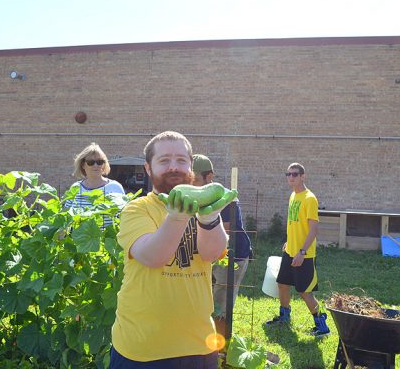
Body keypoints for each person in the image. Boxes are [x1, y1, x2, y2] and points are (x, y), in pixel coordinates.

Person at [110, 131, 236, 368]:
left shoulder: (203, 207)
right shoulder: (138, 209)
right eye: (164, 160)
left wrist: (209, 219)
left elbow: (211, 254)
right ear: (148, 168)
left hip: (199, 344)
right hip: (143, 348)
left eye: (181, 160)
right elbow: (153, 256)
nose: (173, 167)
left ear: (190, 167)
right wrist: (177, 219)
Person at [265, 163, 330, 338]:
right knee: (282, 284)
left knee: (304, 291)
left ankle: (322, 325)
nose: (291, 177)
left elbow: (313, 229)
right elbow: (294, 224)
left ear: (303, 176)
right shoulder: (293, 195)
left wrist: (302, 252)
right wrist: (289, 241)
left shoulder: (310, 198)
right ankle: (284, 317)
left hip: (304, 254)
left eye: (295, 174)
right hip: (290, 251)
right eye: (288, 174)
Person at [191, 154, 252, 338]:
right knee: (207, 297)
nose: (191, 184)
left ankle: (220, 346)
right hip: (210, 255)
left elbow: (223, 232)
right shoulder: (196, 195)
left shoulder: (224, 198)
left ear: (209, 177)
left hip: (232, 256)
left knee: (221, 302)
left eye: (195, 179)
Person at [65, 143, 125, 227]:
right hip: (80, 239)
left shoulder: (115, 187)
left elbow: (124, 216)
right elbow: (66, 216)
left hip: (108, 239)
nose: (96, 165)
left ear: (104, 165)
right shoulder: (75, 188)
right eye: (91, 162)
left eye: (100, 162)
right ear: (83, 165)